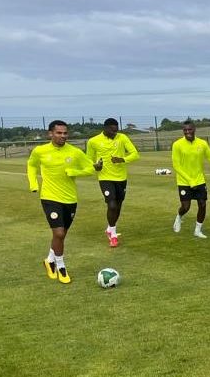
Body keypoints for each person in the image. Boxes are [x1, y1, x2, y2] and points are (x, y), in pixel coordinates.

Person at [27, 120, 96, 284]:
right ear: (50, 133)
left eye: (65, 133)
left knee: (62, 235)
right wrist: (33, 184)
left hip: (70, 199)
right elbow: (31, 166)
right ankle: (61, 266)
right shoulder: (40, 151)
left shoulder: (75, 152)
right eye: (59, 133)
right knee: (58, 233)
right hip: (49, 197)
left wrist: (74, 171)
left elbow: (91, 168)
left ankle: (49, 260)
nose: (63, 136)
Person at [85, 117, 140, 247]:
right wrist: (95, 166)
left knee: (118, 205)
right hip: (105, 178)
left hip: (121, 178)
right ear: (105, 129)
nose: (114, 133)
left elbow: (135, 154)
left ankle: (110, 228)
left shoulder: (122, 138)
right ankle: (113, 235)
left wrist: (122, 159)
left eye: (116, 131)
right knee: (112, 205)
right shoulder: (93, 141)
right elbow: (88, 160)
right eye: (112, 131)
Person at [171, 123, 210, 238]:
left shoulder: (202, 143)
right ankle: (179, 217)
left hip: (199, 180)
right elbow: (176, 166)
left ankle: (198, 230)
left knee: (202, 204)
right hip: (184, 181)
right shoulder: (177, 145)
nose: (187, 132)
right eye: (185, 130)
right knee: (185, 207)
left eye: (189, 129)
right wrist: (190, 180)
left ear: (194, 129)